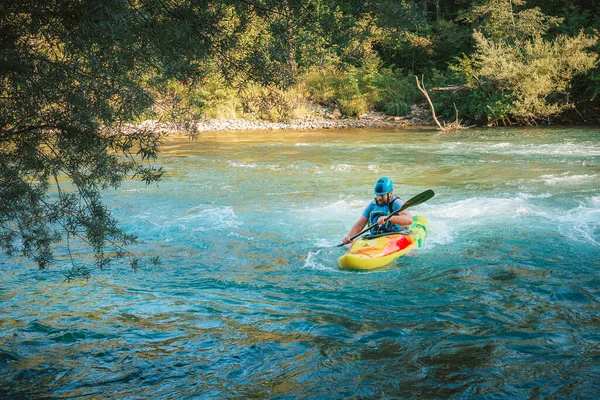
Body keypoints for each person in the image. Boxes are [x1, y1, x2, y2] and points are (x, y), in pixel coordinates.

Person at [341, 177, 413, 245]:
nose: (379, 198)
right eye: (377, 195)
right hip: (375, 238)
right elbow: (360, 224)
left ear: (390, 193)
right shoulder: (372, 205)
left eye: (382, 195)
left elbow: (409, 220)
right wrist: (349, 236)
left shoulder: (396, 203)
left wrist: (388, 218)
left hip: (394, 236)